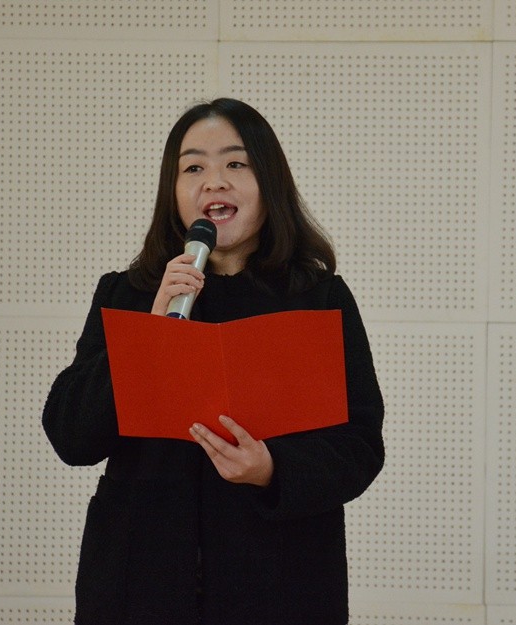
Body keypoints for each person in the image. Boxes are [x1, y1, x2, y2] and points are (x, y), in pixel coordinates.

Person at [43, 98, 384, 625]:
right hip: (139, 586)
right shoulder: (127, 294)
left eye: (236, 163)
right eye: (193, 168)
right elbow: (71, 436)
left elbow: (359, 446)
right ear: (173, 191)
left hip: (280, 586)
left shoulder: (318, 298)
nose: (214, 182)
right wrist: (151, 333)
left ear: (269, 182)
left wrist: (271, 469)